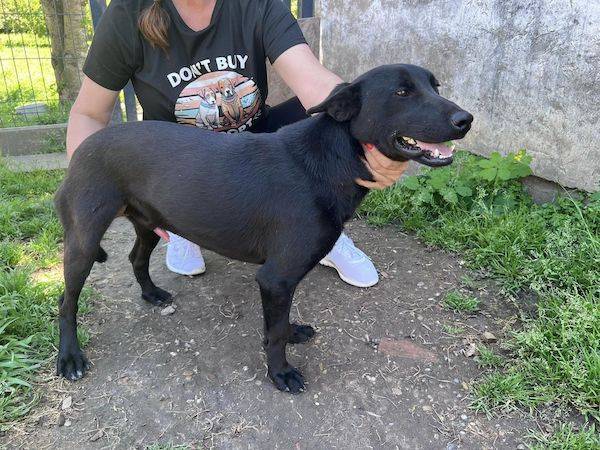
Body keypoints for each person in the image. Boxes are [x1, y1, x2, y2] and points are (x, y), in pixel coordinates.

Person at [67, 0, 408, 288]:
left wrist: (370, 134)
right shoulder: (128, 12)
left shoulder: (256, 4)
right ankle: (182, 219)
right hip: (182, 165)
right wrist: (93, 184)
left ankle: (320, 228)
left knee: (320, 117)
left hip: (251, 152)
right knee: (181, 181)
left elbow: (313, 81)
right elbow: (89, 114)